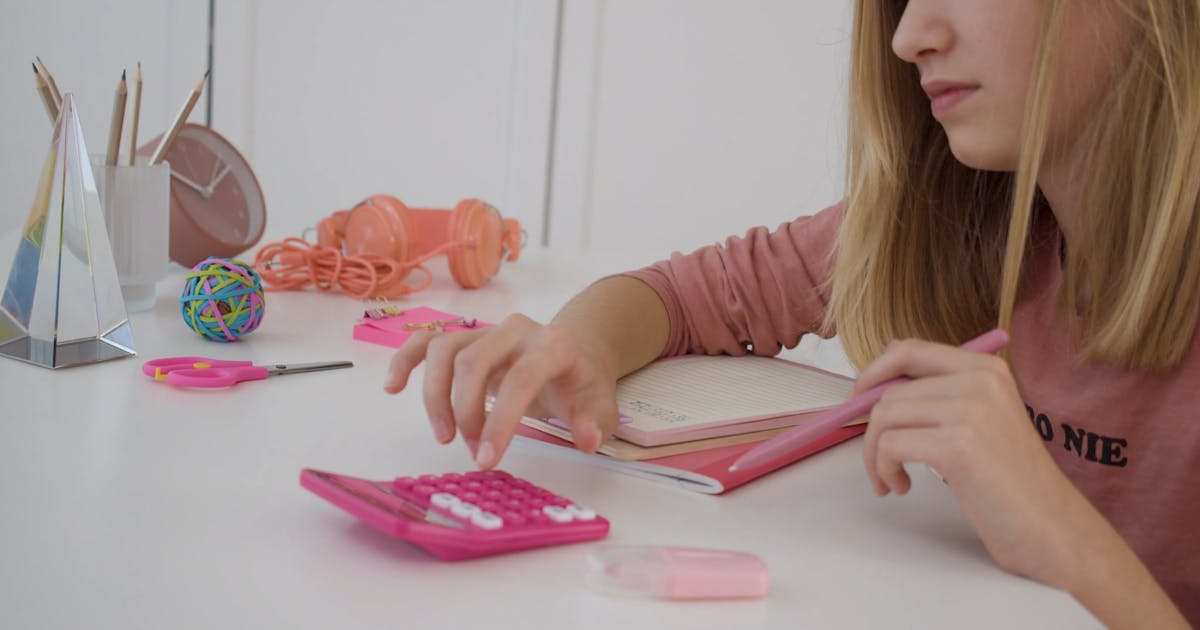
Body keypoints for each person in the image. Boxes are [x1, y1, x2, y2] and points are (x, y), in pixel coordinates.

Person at [385, 0, 1197, 625]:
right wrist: (582, 347)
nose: (908, 36)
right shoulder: (961, 225)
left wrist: (1062, 539)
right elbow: (680, 295)